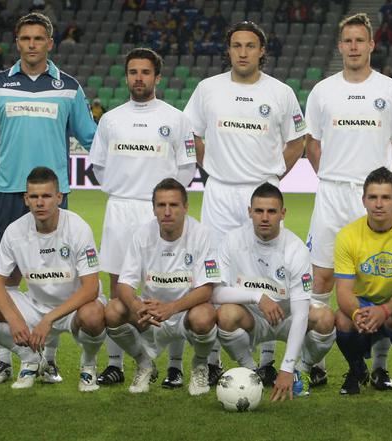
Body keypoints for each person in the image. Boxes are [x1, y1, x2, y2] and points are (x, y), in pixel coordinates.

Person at [0, 12, 97, 386]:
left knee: (59, 279)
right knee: (5, 279)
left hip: (52, 196)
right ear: (17, 42)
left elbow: (93, 140)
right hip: (10, 192)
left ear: (49, 43)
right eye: (25, 38)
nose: (31, 44)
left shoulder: (69, 87)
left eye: (38, 38)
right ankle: (9, 358)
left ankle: (51, 359)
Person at [184, 21, 307, 385]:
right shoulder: (208, 89)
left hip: (262, 190)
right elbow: (191, 133)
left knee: (268, 270)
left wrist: (271, 180)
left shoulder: (281, 92)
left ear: (262, 51)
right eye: (236, 45)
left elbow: (297, 141)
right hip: (220, 192)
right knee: (217, 278)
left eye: (250, 46)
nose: (242, 52)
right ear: (228, 50)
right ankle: (215, 362)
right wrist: (210, 167)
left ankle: (269, 359)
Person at [304, 12, 392, 390]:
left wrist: (379, 180)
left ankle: (380, 367)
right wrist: (329, 175)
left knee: (380, 281)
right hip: (332, 193)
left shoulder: (390, 90)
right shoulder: (322, 91)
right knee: (321, 276)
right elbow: (312, 143)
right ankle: (314, 363)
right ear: (340, 46)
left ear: (371, 45)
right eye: (347, 41)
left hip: (371, 196)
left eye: (359, 40)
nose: (353, 46)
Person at [90, 48, 197, 389]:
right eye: (133, 72)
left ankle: (176, 366)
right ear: (126, 77)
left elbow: (187, 167)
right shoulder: (110, 119)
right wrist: (121, 189)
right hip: (121, 208)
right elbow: (99, 166)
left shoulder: (177, 118)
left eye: (145, 72)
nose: (139, 77)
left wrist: (165, 201)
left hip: (159, 210)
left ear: (157, 77)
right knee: (118, 289)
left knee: (170, 284)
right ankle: (117, 363)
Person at [0, 166, 106, 392]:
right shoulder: (15, 231)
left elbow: (91, 288)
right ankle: (30, 358)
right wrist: (14, 319)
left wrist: (48, 319)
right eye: (34, 196)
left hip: (74, 306)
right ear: (26, 199)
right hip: (35, 305)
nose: (40, 202)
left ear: (59, 198)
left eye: (46, 196)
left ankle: (88, 365)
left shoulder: (78, 228)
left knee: (93, 315)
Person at [213, 183, 336, 401]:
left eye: (271, 211)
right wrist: (257, 297)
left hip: (286, 318)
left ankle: (302, 371)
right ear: (249, 212)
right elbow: (216, 294)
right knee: (225, 314)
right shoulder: (231, 241)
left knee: (325, 317)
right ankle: (252, 371)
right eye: (259, 211)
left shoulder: (296, 249)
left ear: (282, 214)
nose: (265, 217)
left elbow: (300, 313)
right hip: (252, 319)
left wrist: (287, 367)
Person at [103, 178, 219, 395]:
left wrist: (172, 308)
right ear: (153, 208)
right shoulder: (142, 234)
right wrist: (138, 306)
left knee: (205, 315)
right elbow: (125, 284)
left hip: (186, 315)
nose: (167, 212)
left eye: (173, 205)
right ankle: (144, 363)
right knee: (113, 310)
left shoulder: (203, 234)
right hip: (150, 316)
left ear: (185, 207)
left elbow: (207, 288)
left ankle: (200, 365)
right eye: (161, 205)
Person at [334, 167, 392, 397]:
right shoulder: (347, 235)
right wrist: (357, 314)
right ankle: (357, 369)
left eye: (386, 197)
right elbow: (344, 292)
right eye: (373, 197)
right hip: (364, 303)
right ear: (363, 200)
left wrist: (384, 311)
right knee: (342, 320)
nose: (379, 204)